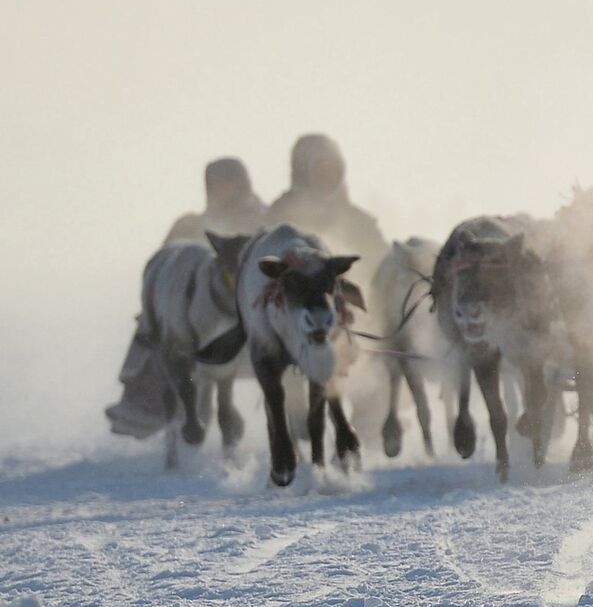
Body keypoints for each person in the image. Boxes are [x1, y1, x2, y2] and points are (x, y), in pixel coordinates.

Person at [106, 157, 269, 439]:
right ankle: (141, 404)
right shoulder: (191, 225)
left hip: (248, 313)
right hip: (192, 312)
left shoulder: (261, 222)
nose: (222, 190)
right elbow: (166, 267)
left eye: (228, 183)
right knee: (156, 327)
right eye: (216, 185)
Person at [266, 134, 387, 265]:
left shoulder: (361, 224)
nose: (328, 177)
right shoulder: (279, 217)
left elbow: (381, 265)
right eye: (320, 170)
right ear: (303, 172)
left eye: (334, 170)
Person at [162, 157, 268, 245]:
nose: (219, 189)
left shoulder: (265, 220)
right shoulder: (189, 227)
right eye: (215, 184)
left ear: (240, 184)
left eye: (226, 183)